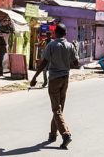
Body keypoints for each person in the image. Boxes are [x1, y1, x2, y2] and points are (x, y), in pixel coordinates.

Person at [30, 22, 79, 150]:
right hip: (65, 78)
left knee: (56, 109)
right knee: (59, 108)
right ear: (65, 34)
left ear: (55, 33)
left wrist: (35, 77)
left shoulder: (51, 45)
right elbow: (76, 63)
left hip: (54, 79)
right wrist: (66, 60)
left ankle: (66, 134)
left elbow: (44, 62)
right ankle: (53, 134)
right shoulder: (70, 45)